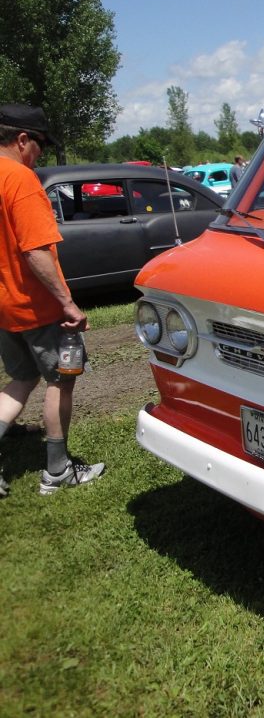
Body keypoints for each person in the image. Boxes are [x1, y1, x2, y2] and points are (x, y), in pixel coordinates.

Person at [0, 104, 104, 497]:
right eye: (41, 144)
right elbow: (35, 251)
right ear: (22, 139)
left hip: (4, 307)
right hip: (37, 306)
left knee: (22, 378)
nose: (41, 152)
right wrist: (68, 304)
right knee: (61, 380)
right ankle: (58, 471)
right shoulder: (20, 179)